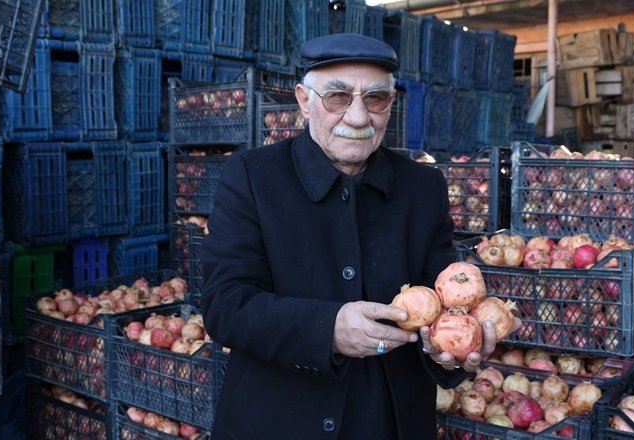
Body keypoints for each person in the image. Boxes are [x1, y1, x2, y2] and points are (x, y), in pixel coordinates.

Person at [200, 33, 515, 439]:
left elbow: (441, 306)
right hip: (279, 421)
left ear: (390, 105)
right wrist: (328, 328)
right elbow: (225, 305)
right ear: (303, 100)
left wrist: (450, 355)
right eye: (337, 97)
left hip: (389, 422)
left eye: (375, 99)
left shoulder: (423, 188)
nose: (358, 117)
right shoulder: (252, 177)